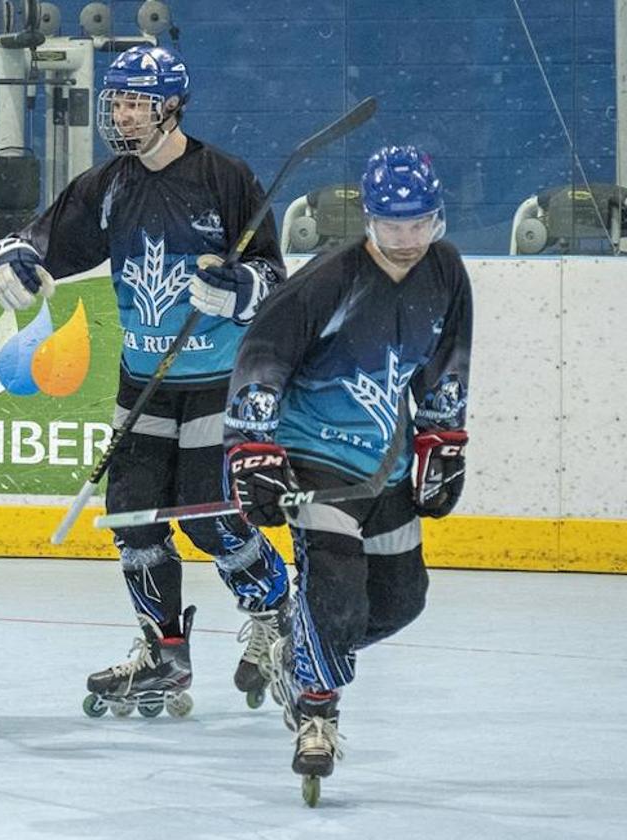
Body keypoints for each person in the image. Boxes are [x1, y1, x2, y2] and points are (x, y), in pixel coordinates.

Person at [0, 44, 290, 717]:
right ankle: (164, 651)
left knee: (209, 521)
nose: (119, 113)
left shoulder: (225, 178)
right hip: (143, 379)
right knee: (132, 518)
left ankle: (274, 613)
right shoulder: (110, 184)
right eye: (115, 100)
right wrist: (10, 258)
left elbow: (273, 276)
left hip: (217, 381)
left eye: (134, 102)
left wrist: (238, 289)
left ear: (171, 107)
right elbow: (42, 240)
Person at [221, 145, 472, 795]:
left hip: (381, 468)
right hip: (315, 460)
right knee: (332, 587)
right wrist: (254, 449)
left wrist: (441, 441)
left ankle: (300, 651)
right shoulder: (330, 278)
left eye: (421, 223)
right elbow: (263, 355)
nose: (409, 239)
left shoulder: (445, 271)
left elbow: (446, 362)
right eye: (394, 226)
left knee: (399, 602)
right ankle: (317, 714)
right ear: (369, 220)